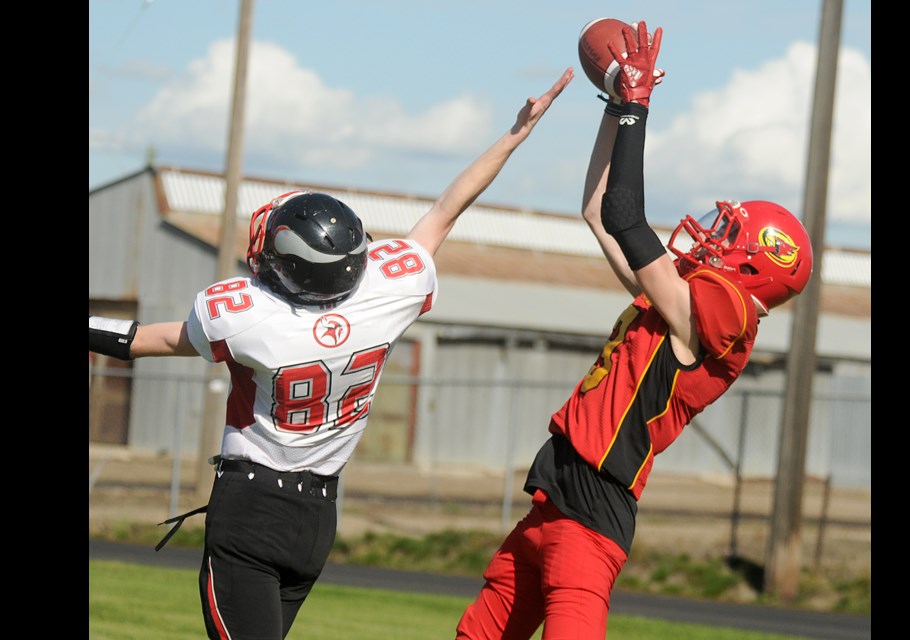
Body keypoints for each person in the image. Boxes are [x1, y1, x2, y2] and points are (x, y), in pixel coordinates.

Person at [88, 67, 574, 640]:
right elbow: (447, 208)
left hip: (251, 508)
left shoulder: (246, 316)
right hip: (317, 520)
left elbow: (145, 340)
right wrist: (515, 135)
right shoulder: (388, 293)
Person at [455, 21, 813, 640]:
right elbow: (597, 209)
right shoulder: (675, 303)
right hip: (553, 498)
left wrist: (639, 107)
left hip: (592, 517)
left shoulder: (709, 325)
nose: (710, 236)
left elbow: (625, 214)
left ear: (753, 267)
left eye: (728, 236)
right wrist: (618, 102)